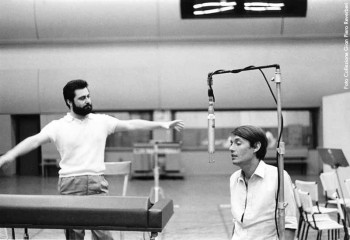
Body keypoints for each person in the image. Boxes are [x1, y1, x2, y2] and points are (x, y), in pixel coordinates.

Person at [0, 79, 184, 240]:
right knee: (74, 235)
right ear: (69, 101)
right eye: (82, 98)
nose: (88, 101)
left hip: (98, 184)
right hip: (70, 185)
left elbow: (131, 124)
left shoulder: (101, 121)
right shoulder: (57, 126)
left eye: (88, 96)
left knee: (104, 234)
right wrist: (9, 156)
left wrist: (163, 124)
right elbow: (33, 141)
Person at [228, 125, 297, 240]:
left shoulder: (278, 177)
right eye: (231, 143)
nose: (231, 148)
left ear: (256, 146)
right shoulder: (234, 179)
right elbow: (236, 223)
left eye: (238, 143)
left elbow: (289, 224)